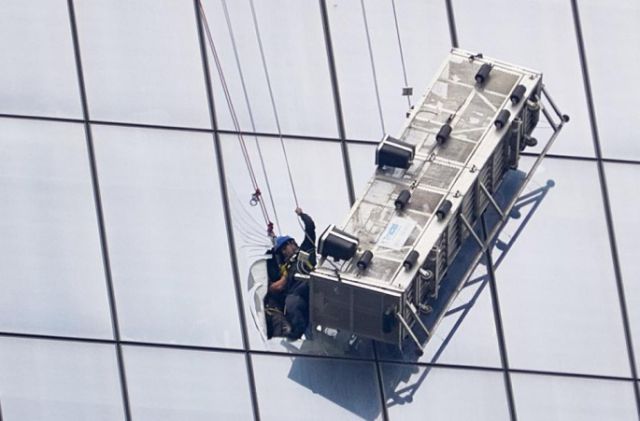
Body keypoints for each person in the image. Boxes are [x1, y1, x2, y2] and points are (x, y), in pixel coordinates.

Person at [264, 208, 316, 340]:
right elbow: (279, 286)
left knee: (292, 301)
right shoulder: (285, 268)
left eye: (283, 250)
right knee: (291, 304)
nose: (283, 254)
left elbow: (310, 227)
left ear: (291, 244)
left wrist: (302, 215)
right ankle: (305, 334)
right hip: (299, 295)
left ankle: (296, 333)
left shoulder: (305, 251)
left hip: (308, 286)